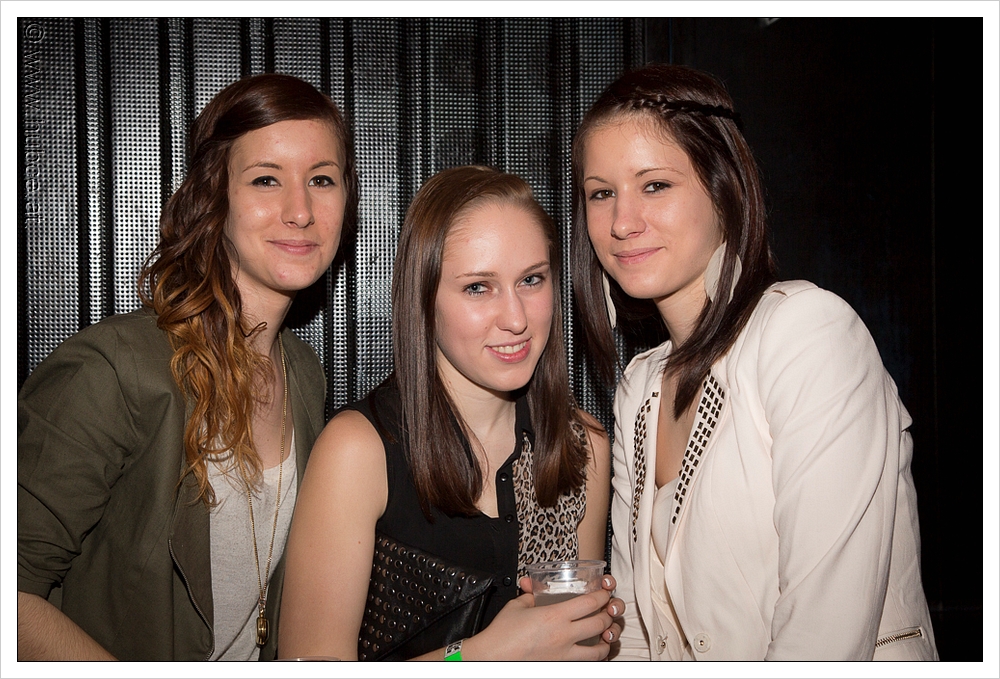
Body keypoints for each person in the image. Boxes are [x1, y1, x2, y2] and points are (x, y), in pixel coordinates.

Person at [570, 63, 938, 660]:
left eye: (655, 185)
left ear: (724, 190)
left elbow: (824, 637)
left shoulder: (806, 332)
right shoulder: (640, 386)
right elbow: (637, 632)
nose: (622, 222)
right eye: (601, 193)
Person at [17, 73, 358, 661]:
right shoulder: (113, 371)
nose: (300, 211)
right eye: (266, 179)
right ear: (213, 196)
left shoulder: (303, 373)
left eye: (321, 180)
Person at [279, 165, 622, 661]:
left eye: (531, 280)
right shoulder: (357, 450)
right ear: (424, 300)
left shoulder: (582, 445)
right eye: (478, 287)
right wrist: (482, 656)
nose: (516, 319)